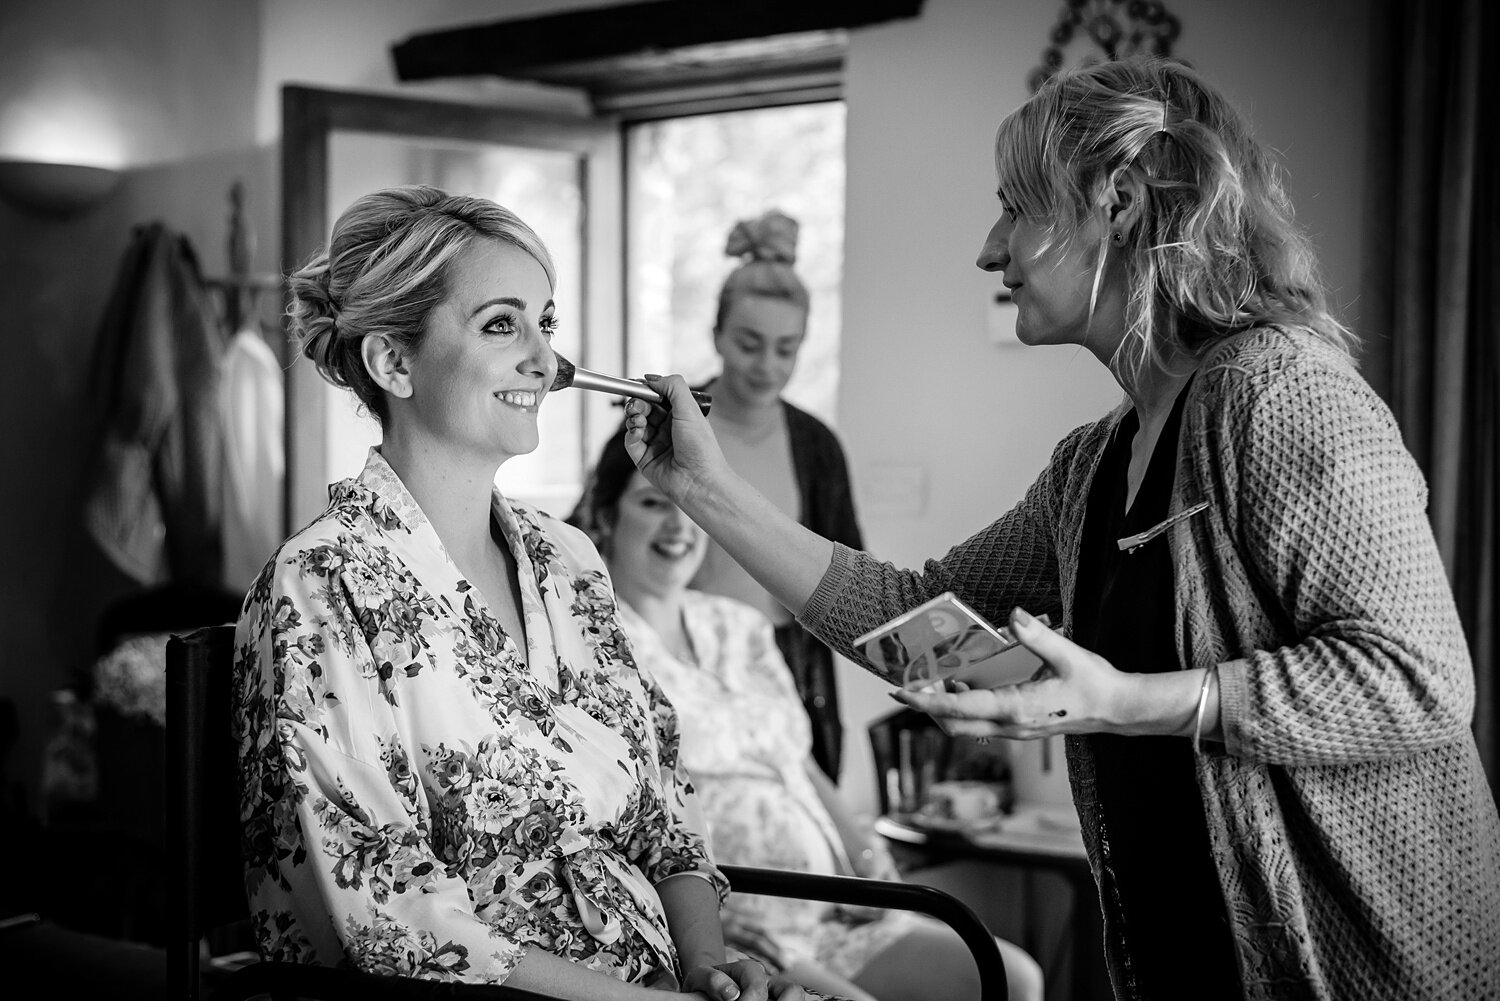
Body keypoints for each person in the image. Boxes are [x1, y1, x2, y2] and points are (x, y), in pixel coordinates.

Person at [617, 58, 1500, 1001]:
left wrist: (1127, 700)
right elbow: (915, 617)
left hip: (1363, 963)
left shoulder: (1280, 390)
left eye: (1016, 208)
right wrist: (703, 488)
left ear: (1116, 202)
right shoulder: (1090, 468)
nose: (991, 250)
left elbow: (1420, 679)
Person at [233, 184, 799, 1001]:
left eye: (546, 323)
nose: (546, 360)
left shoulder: (568, 559)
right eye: (502, 324)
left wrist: (709, 968)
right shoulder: (323, 585)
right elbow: (391, 916)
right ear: (393, 361)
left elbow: (663, 812)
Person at [571, 427, 1043, 1001]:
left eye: (687, 508)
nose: (676, 526)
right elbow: (622, 815)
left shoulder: (738, 626)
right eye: (652, 503)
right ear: (606, 513)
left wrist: (868, 859)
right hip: (745, 920)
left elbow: (803, 766)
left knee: (1015, 977)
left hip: (833, 901)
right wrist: (701, 923)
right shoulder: (593, 641)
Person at [691, 210, 862, 782]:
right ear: (716, 334)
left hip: (786, 678)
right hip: (681, 673)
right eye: (749, 343)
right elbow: (593, 544)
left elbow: (853, 581)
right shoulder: (663, 426)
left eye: (786, 349)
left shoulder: (816, 447)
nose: (767, 366)